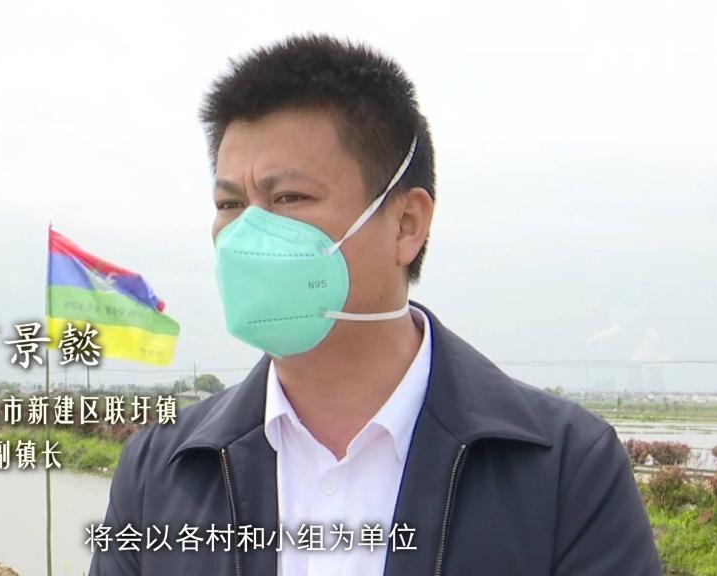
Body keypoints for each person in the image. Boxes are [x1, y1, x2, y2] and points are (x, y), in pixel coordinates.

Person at [89, 33, 662, 575]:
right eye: (230, 204)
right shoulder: (159, 470)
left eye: (289, 197)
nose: (248, 235)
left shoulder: (565, 468)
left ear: (407, 224)